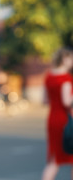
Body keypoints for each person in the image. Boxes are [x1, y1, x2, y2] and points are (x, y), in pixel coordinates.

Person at [42, 47, 73, 180]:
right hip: (65, 121)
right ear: (64, 59)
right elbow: (67, 102)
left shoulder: (48, 76)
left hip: (52, 119)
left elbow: (44, 100)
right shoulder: (66, 78)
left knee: (54, 159)